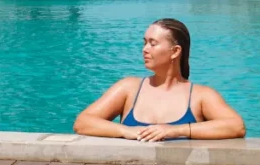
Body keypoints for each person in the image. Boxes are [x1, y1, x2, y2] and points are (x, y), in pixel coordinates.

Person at [73, 18, 246, 142]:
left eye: (153, 43)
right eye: (144, 43)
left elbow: (236, 126)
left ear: (175, 51)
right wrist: (125, 131)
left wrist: (175, 131)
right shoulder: (129, 88)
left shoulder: (200, 96)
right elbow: (83, 122)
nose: (145, 49)